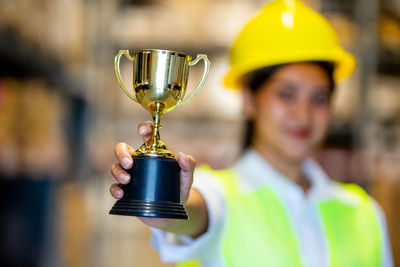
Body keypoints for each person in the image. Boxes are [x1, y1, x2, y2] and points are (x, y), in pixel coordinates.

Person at [109, 0, 393, 266]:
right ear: (248, 98)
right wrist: (168, 202)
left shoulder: (365, 213)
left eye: (318, 98)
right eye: (286, 94)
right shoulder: (218, 194)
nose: (303, 115)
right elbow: (192, 214)